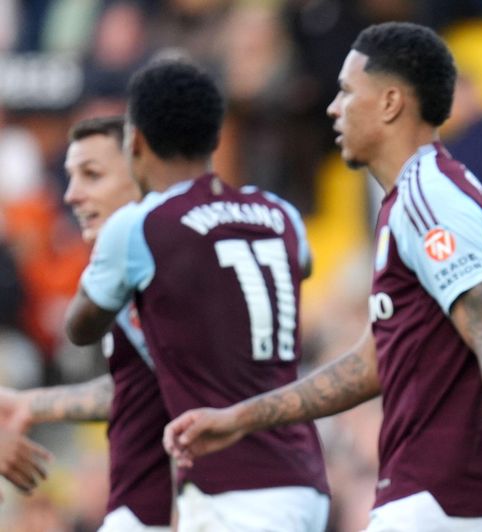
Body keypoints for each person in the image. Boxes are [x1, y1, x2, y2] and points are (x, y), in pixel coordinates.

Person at [163, 21, 482, 532]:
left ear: (389, 103)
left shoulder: (430, 198)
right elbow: (373, 362)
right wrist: (240, 418)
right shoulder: (410, 201)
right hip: (436, 499)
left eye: (346, 91)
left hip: (445, 502)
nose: (333, 108)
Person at [64, 60, 330, 531]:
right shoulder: (279, 213)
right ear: (215, 138)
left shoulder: (142, 224)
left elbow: (80, 327)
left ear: (135, 142)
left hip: (231, 490)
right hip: (304, 477)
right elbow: (301, 264)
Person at [0, 115, 172, 530]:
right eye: (71, 178)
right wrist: (32, 405)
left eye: (92, 175)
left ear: (141, 175)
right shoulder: (136, 264)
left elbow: (206, 393)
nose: (73, 195)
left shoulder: (173, 262)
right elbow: (148, 384)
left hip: (214, 501)